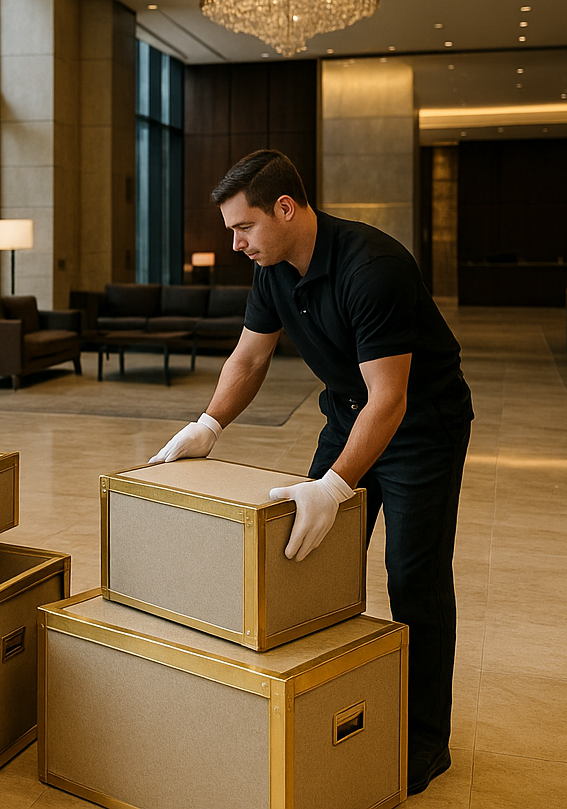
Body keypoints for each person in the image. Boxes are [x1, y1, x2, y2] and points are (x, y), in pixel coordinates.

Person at [150, 150, 471, 797]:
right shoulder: (272, 269)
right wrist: (208, 424)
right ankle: (325, 704)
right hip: (349, 414)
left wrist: (335, 485)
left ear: (286, 209)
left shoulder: (372, 268)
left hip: (421, 428)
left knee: (414, 577)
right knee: (307, 560)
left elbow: (391, 399)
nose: (236, 244)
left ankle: (425, 740)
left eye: (244, 227)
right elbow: (249, 359)